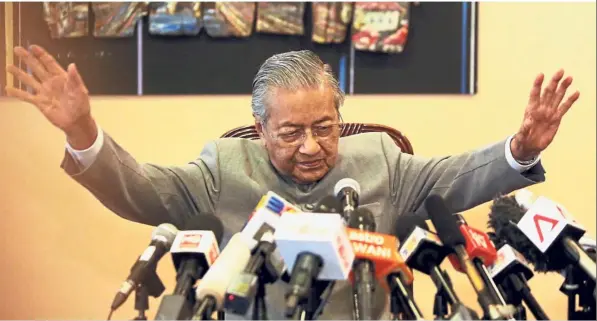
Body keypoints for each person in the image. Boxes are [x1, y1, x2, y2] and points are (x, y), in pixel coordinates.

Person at [5, 45, 580, 320]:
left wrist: (522, 147)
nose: (311, 147)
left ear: (341, 116)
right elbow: (141, 190)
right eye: (291, 132)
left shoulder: (379, 159)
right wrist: (82, 128)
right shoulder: (225, 168)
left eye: (325, 128)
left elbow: (452, 179)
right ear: (260, 128)